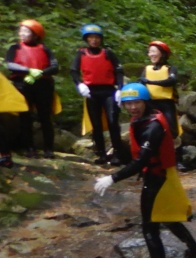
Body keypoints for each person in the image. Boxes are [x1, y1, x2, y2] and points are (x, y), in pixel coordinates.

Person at [93, 82, 196, 258]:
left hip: (158, 178)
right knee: (168, 217)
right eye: (128, 104)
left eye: (136, 102)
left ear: (145, 101)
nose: (133, 107)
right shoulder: (147, 118)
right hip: (163, 175)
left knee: (150, 228)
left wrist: (113, 178)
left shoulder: (152, 126)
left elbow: (141, 162)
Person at [5, 19, 60, 159]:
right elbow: (10, 65)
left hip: (43, 86)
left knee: (45, 117)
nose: (21, 34)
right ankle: (30, 148)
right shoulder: (15, 48)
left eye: (26, 31)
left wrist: (41, 73)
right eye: (21, 31)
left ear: (36, 35)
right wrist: (28, 70)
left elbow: (54, 67)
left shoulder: (45, 49)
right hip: (22, 85)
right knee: (25, 117)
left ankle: (49, 149)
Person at [72, 23, 125, 165]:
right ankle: (101, 154)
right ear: (87, 39)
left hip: (108, 91)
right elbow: (74, 71)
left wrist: (120, 88)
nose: (94, 40)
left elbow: (119, 71)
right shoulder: (81, 53)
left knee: (113, 122)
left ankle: (117, 154)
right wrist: (79, 84)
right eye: (91, 37)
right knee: (96, 125)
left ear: (100, 39)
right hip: (91, 93)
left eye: (97, 37)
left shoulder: (108, 53)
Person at [139, 40, 181, 138]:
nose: (151, 54)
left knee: (172, 130)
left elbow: (171, 81)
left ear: (162, 54)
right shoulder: (147, 69)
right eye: (150, 52)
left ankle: (174, 148)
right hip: (150, 103)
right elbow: (140, 84)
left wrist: (151, 82)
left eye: (154, 51)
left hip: (167, 104)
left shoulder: (171, 68)